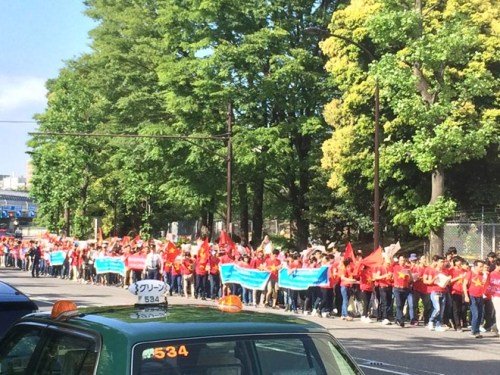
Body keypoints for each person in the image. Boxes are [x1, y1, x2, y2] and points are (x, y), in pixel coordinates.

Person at [463, 259, 488, 338]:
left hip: (480, 296)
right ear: (475, 266)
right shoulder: (470, 273)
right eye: (480, 267)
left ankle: (477, 331)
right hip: (472, 296)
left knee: (480, 314)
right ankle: (474, 331)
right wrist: (466, 296)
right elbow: (464, 284)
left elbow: (484, 285)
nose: (482, 268)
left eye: (482, 267)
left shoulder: (482, 275)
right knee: (475, 313)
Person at [424, 255, 448, 332]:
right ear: (437, 262)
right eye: (441, 262)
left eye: (443, 262)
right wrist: (435, 278)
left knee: (441, 310)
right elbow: (428, 282)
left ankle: (438, 325)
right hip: (435, 291)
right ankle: (430, 321)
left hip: (443, 291)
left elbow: (447, 282)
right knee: (437, 308)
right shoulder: (432, 271)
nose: (442, 263)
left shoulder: (445, 271)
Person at [392, 255, 412, 327]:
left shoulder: (407, 268)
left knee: (402, 305)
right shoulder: (395, 267)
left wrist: (409, 275)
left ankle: (397, 318)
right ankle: (401, 320)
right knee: (399, 304)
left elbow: (411, 279)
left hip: (405, 288)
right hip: (397, 288)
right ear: (399, 261)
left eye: (403, 260)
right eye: (401, 260)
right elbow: (390, 261)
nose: (402, 262)